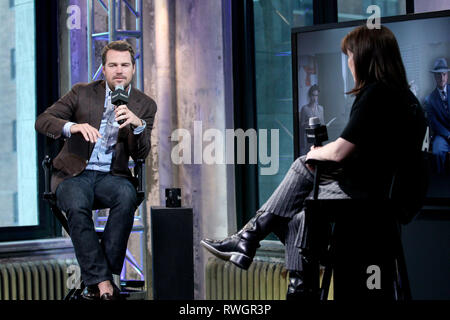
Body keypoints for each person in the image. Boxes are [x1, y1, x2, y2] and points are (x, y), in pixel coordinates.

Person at [201, 25, 426, 299]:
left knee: (302, 163)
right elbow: (370, 153)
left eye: (351, 55)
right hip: (390, 198)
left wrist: (315, 153)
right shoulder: (408, 99)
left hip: (367, 198)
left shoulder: (376, 94)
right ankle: (256, 244)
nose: (350, 62)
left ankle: (251, 240)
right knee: (300, 216)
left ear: (366, 57)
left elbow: (341, 151)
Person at [35, 41, 157, 300]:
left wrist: (137, 126)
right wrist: (72, 127)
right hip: (74, 174)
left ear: (133, 69)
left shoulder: (144, 105)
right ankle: (104, 284)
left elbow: (141, 153)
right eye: (113, 65)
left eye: (125, 65)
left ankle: (101, 280)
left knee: (127, 197)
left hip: (112, 176)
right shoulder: (82, 92)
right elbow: (43, 120)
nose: (119, 71)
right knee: (77, 205)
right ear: (104, 69)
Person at [424, 58, 449, 174]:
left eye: (444, 74)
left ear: (447, 75)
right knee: (437, 151)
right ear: (434, 77)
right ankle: (441, 183)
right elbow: (433, 123)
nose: (442, 78)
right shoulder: (429, 100)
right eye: (438, 75)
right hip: (442, 135)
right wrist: (448, 134)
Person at [299, 85, 325, 155]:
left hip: (318, 138)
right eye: (313, 95)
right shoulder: (305, 109)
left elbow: (322, 123)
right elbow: (301, 125)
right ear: (310, 96)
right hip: (308, 139)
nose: (314, 98)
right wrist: (310, 123)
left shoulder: (320, 108)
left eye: (316, 96)